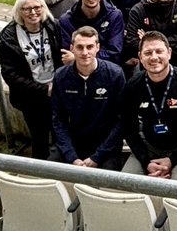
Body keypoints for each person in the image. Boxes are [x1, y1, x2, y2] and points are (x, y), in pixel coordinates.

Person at [120, 32, 177, 181]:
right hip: (149, 146)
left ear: (169, 53)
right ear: (140, 57)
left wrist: (172, 160)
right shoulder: (132, 86)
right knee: (124, 184)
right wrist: (146, 162)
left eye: (159, 51)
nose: (154, 57)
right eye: (148, 53)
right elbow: (129, 129)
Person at [49, 27, 126, 170]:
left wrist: (97, 157)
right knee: (47, 173)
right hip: (73, 144)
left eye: (90, 47)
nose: (85, 53)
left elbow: (121, 121)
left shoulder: (115, 74)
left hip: (105, 148)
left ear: (98, 47)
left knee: (106, 184)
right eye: (80, 47)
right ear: (72, 48)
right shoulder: (61, 76)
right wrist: (71, 156)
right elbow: (58, 120)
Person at [0, 0, 59, 160]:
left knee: (60, 136)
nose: (33, 12)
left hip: (56, 92)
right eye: (27, 9)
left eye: (37, 7)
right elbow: (10, 75)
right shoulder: (9, 39)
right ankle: (39, 177)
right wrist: (42, 90)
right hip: (31, 97)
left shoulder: (53, 27)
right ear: (19, 12)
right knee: (39, 139)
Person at [58, 0, 124, 66]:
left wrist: (77, 58)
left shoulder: (114, 16)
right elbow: (68, 54)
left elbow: (115, 53)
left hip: (107, 70)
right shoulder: (66, 20)